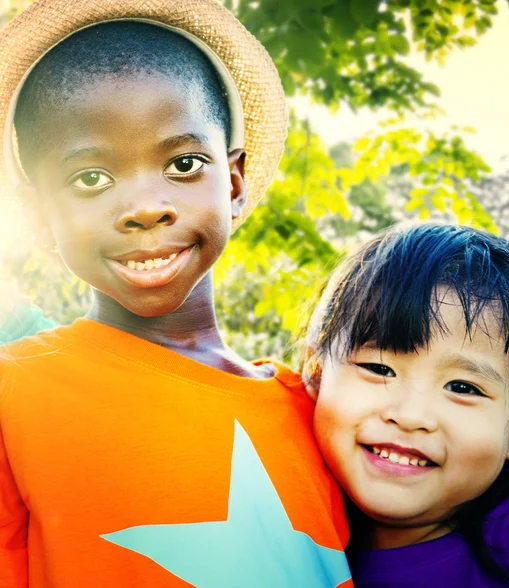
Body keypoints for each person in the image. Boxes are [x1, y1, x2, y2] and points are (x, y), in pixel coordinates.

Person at [0, 2, 350, 586]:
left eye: (184, 163)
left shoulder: (319, 410)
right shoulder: (13, 394)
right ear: (38, 217)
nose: (144, 208)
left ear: (233, 183)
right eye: (91, 178)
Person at [304, 224, 509, 587]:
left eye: (462, 387)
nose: (411, 416)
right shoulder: (287, 531)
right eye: (379, 368)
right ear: (316, 372)